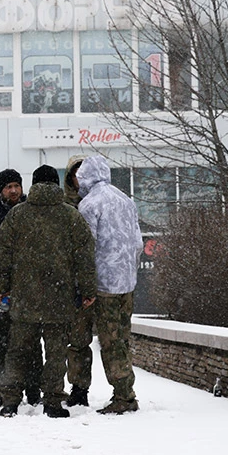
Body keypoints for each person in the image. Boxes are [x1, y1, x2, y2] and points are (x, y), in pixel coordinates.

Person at [0, 164, 98, 419]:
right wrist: (87, 290)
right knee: (56, 353)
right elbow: (84, 257)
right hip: (59, 299)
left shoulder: (17, 215)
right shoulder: (70, 216)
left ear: (34, 184)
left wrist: (2, 287)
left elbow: (1, 254)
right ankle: (52, 401)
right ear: (55, 183)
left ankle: (10, 401)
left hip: (23, 298)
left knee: (17, 352)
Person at [75, 154, 145, 414]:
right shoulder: (126, 200)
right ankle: (125, 389)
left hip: (104, 285)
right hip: (127, 283)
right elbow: (138, 244)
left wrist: (86, 286)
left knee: (110, 341)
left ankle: (124, 396)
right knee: (122, 339)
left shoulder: (89, 204)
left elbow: (86, 249)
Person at [0, 168, 41, 408]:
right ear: (1, 190)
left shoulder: (33, 212)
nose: (13, 190)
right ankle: (2, 390)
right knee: (0, 342)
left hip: (29, 291)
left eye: (16, 185)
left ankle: (34, 390)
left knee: (32, 343)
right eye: (8, 186)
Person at [62, 154, 96, 407]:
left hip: (83, 282)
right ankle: (53, 387)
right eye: (76, 173)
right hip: (59, 282)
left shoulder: (97, 202)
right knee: (55, 340)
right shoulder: (61, 206)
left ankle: (79, 388)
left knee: (80, 340)